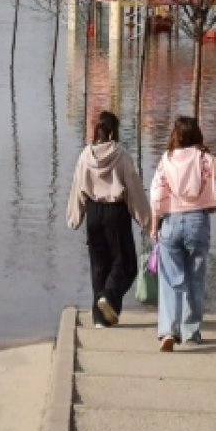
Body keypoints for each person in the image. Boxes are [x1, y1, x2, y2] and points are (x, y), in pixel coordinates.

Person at [148, 116, 216, 351]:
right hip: (198, 222)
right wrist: (213, 198)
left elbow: (157, 196)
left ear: (175, 136)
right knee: (195, 279)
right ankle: (191, 332)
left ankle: (168, 330)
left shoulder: (166, 160)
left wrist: (154, 225)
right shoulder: (206, 159)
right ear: (197, 135)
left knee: (170, 279)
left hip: (171, 222)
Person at [67, 110, 151, 328]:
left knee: (99, 265)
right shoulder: (121, 155)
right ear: (114, 131)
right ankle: (109, 296)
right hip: (116, 212)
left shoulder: (85, 156)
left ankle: (99, 318)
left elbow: (78, 186)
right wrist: (146, 219)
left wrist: (75, 217)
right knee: (126, 263)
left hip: (94, 213)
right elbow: (133, 188)